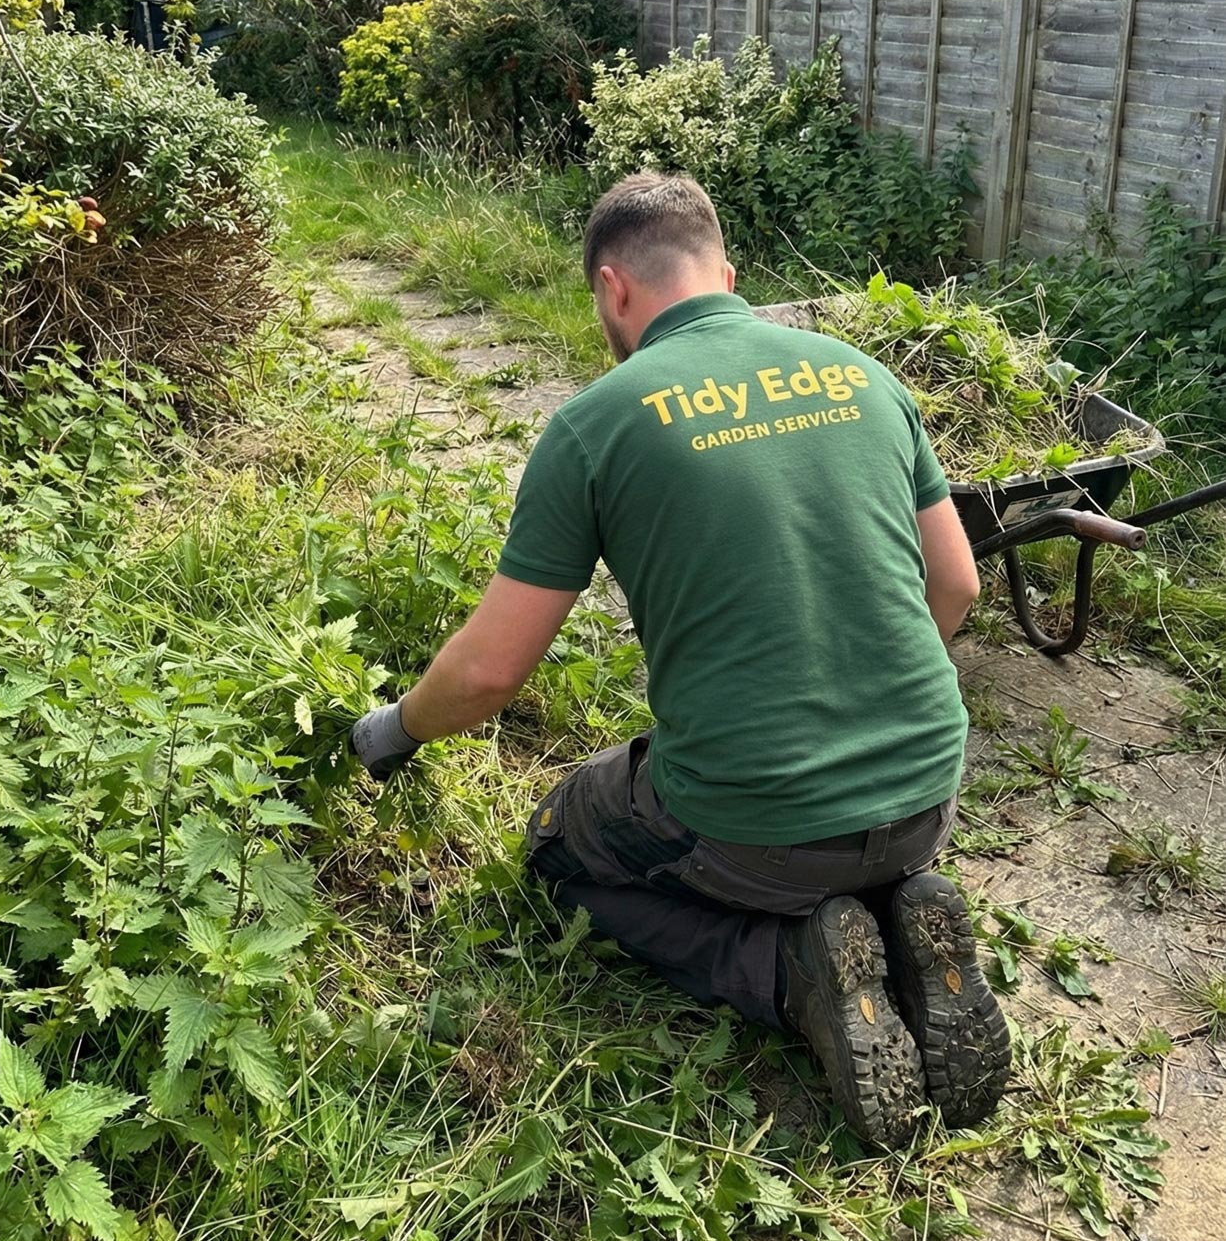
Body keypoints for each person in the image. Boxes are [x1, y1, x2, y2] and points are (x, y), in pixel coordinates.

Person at [350, 172, 1010, 1146]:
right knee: (835, 837)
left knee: (558, 851)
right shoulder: (863, 377)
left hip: (754, 825)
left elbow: (489, 675)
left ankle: (788, 974)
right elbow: (956, 588)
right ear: (726, 274)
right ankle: (894, 914)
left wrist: (388, 732)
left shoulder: (595, 426)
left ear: (613, 289)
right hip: (925, 795)